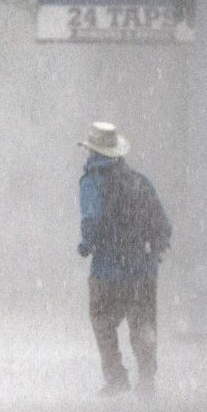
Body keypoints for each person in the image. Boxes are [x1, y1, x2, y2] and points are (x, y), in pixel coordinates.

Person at [77, 121, 171, 397]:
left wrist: (87, 246)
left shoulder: (92, 181)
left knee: (102, 320)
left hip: (107, 270)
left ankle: (116, 376)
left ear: (93, 152)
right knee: (142, 323)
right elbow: (163, 226)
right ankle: (147, 379)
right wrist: (151, 255)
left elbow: (91, 221)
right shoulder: (141, 182)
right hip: (142, 270)